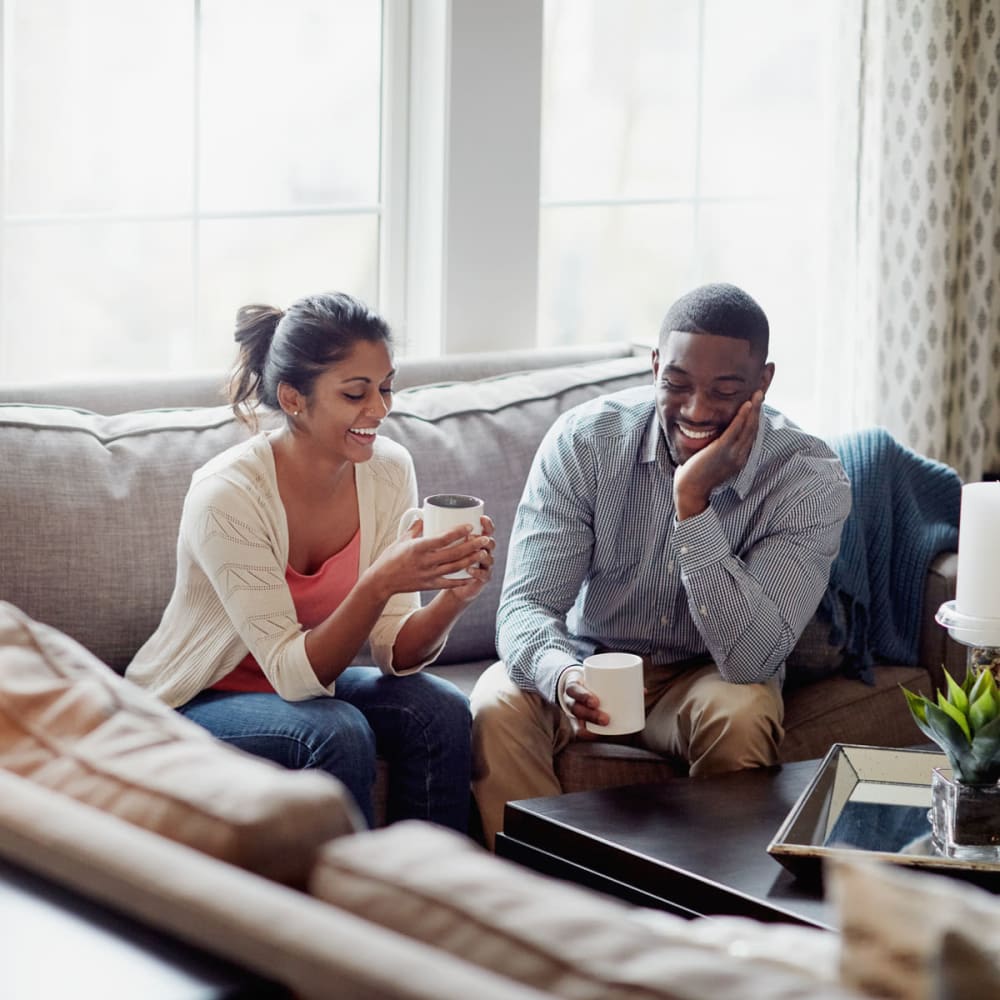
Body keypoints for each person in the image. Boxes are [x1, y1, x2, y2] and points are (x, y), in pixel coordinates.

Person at [470, 282, 851, 849]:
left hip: (710, 673)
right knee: (497, 702)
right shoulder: (586, 441)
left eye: (725, 392)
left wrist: (691, 504)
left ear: (763, 382)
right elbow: (525, 607)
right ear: (654, 367)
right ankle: (540, 899)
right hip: (591, 664)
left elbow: (750, 658)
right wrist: (561, 674)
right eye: (676, 385)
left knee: (742, 711)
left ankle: (714, 915)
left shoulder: (806, 478)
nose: (697, 411)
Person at [126, 291, 495, 832]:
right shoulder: (227, 495)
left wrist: (452, 599)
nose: (380, 410)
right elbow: (295, 676)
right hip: (199, 697)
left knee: (438, 710)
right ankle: (345, 905)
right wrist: (379, 581)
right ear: (294, 399)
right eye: (355, 393)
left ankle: (429, 891)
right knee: (336, 730)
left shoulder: (388, 468)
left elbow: (395, 651)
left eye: (386, 387)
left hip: (303, 688)